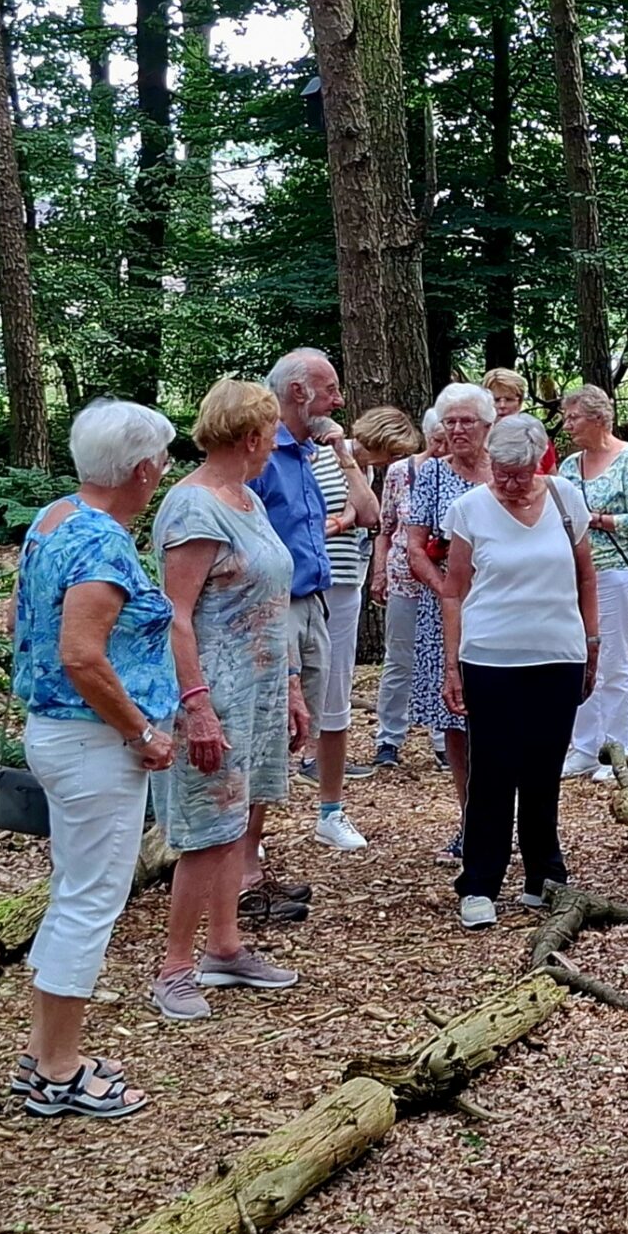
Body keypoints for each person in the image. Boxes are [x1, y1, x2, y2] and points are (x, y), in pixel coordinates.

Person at [7, 399, 179, 1117]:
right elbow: (82, 654)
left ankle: (47, 1052)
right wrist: (140, 731)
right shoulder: (103, 544)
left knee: (74, 890)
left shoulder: (54, 517)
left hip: (59, 734)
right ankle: (58, 1070)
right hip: (94, 743)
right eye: (162, 460)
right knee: (89, 901)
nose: (165, 471)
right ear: (141, 470)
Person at [151, 378, 308, 1021]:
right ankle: (173, 969)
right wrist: (197, 706)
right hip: (213, 691)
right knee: (207, 831)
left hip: (261, 690)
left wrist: (293, 686)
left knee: (238, 820)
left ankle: (225, 948)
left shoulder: (245, 499)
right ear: (250, 437)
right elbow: (175, 616)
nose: (274, 444)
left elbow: (273, 603)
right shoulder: (192, 509)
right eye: (271, 434)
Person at [441, 415, 599, 927]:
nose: (510, 484)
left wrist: (593, 642)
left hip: (558, 652)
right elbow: (454, 590)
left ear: (540, 463)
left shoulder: (564, 498)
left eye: (520, 474)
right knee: (492, 770)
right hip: (491, 655)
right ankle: (479, 882)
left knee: (543, 769)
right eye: (501, 473)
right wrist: (452, 662)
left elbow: (586, 577)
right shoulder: (469, 509)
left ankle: (543, 875)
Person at [255, 348, 380, 862]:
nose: (340, 399)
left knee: (316, 711)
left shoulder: (315, 452)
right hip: (274, 605)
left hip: (316, 603)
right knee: (270, 719)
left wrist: (343, 454)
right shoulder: (259, 455)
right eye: (330, 389)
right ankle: (244, 840)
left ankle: (324, 813)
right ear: (299, 393)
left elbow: (370, 514)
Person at [404, 382, 495, 853]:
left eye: (467, 421)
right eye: (450, 422)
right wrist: (447, 594)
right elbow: (415, 546)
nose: (458, 430)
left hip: (504, 609)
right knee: (455, 719)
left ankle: (503, 816)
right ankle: (470, 822)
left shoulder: (504, 474)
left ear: (487, 426)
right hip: (444, 612)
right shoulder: (433, 476)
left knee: (500, 716)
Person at [556, 384, 628, 782]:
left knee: (613, 659)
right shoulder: (567, 466)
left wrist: (600, 520)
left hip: (615, 572)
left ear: (599, 418)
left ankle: (617, 748)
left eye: (573, 418)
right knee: (576, 658)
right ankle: (582, 747)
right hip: (573, 575)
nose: (567, 426)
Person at [371, 406, 445, 770]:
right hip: (404, 578)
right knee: (399, 659)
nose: (442, 447)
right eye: (437, 440)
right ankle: (388, 738)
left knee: (446, 658)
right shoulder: (400, 472)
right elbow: (384, 530)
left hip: (449, 582)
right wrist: (379, 574)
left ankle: (444, 737)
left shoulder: (461, 473)